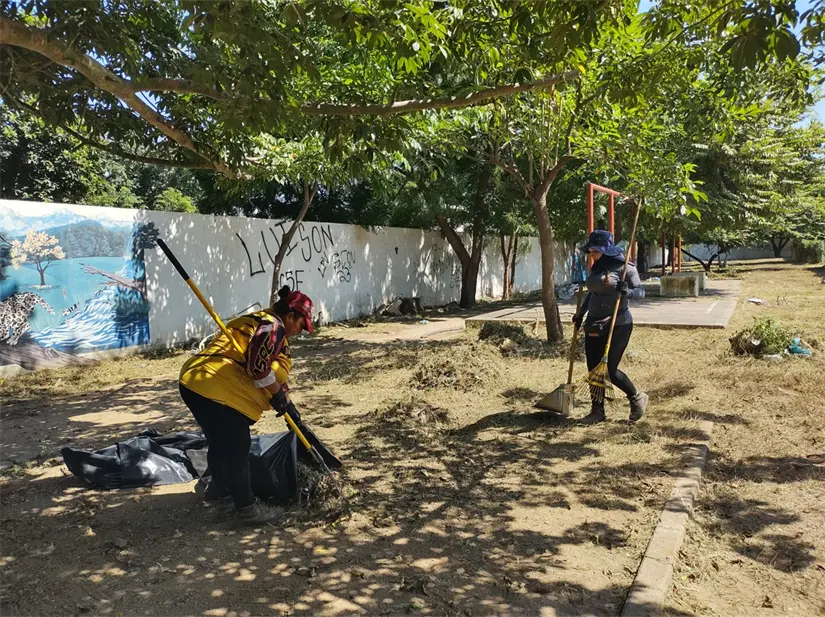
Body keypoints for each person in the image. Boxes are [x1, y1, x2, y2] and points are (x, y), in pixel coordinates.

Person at [178, 285, 315, 524]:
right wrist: (278, 397)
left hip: (195, 384)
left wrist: (287, 403)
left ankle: (220, 498)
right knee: (237, 448)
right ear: (291, 316)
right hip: (214, 388)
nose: (301, 332)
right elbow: (258, 368)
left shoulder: (265, 323)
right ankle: (246, 508)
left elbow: (270, 371)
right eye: (302, 326)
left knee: (221, 445)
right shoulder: (273, 327)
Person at [573, 230, 648, 424]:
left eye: (595, 251)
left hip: (618, 324)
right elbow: (593, 294)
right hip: (594, 324)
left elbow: (641, 292)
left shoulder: (625, 268)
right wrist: (581, 313)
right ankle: (597, 411)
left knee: (609, 370)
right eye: (590, 251)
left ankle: (637, 397)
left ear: (606, 250)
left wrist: (628, 291)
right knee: (594, 370)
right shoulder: (596, 268)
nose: (591, 255)